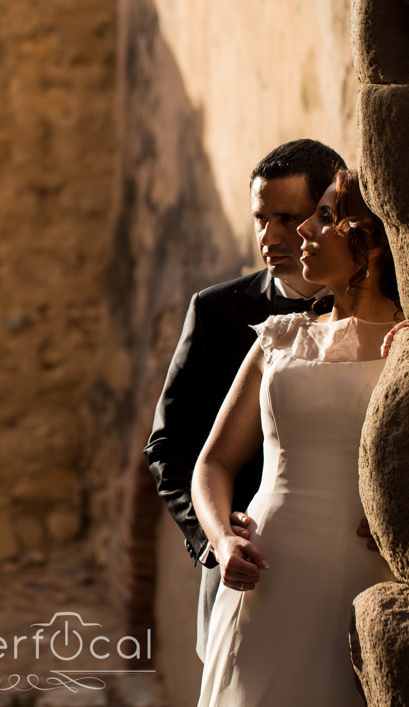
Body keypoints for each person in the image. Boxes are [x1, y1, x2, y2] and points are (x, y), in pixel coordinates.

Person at [192, 169, 402, 706]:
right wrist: (222, 539)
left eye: (325, 218)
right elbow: (212, 463)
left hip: (366, 572)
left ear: (372, 244)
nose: (304, 230)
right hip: (264, 573)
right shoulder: (279, 338)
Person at [144, 139, 346, 659]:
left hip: (340, 564)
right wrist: (214, 538)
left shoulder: (375, 315)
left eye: (287, 218)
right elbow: (167, 445)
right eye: (261, 218)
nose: (270, 235)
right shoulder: (215, 313)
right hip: (238, 567)